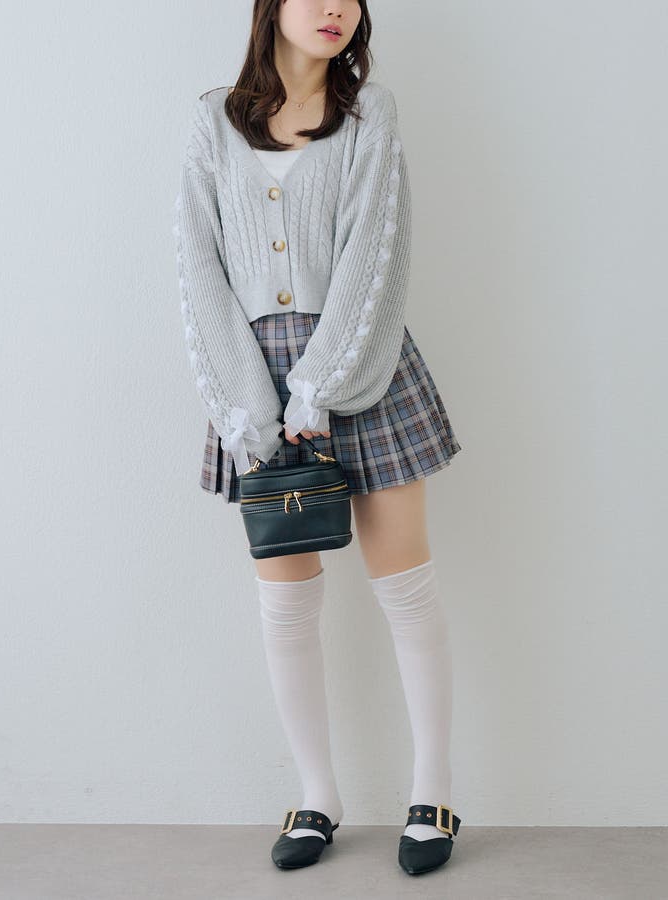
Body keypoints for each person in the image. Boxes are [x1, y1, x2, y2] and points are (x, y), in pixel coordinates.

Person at [172, 0, 463, 876]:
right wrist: (249, 406)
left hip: (364, 365)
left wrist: (319, 387)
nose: (335, 7)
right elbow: (197, 267)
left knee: (405, 589)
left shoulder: (371, 114)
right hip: (252, 384)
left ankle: (433, 792)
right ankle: (317, 794)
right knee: (287, 603)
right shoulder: (212, 120)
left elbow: (379, 254)